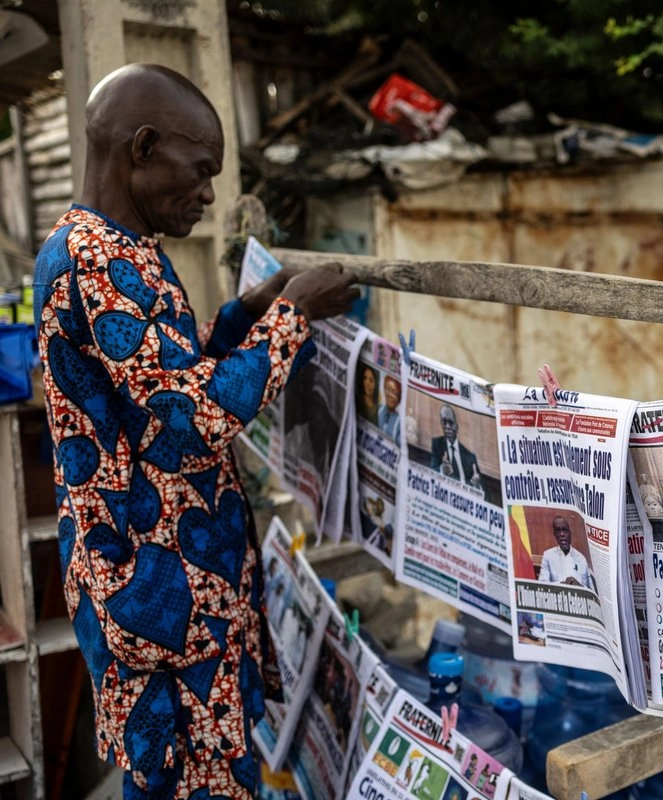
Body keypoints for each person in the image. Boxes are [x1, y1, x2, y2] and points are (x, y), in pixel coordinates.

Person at [32, 63, 358, 799]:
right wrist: (292, 319)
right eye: (200, 169)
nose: (209, 193)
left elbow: (158, 381)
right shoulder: (99, 261)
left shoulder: (117, 248)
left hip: (171, 590)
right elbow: (187, 420)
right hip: (159, 601)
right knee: (194, 785)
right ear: (143, 147)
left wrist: (248, 314)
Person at [537, 515, 596, 590]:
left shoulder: (581, 558)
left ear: (570, 533)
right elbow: (543, 586)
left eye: (564, 530)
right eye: (558, 531)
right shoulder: (548, 556)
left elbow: (591, 590)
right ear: (555, 535)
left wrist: (579, 586)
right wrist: (563, 584)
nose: (562, 534)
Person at [429, 404, 481, 486]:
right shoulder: (437, 444)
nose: (447, 427)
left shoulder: (470, 457)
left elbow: (484, 488)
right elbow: (429, 472)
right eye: (444, 422)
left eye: (450, 422)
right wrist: (441, 470)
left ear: (457, 426)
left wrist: (477, 485)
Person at [377, 374, 403, 440]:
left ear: (399, 398)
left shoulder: (400, 422)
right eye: (388, 389)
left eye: (395, 393)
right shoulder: (377, 408)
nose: (390, 395)